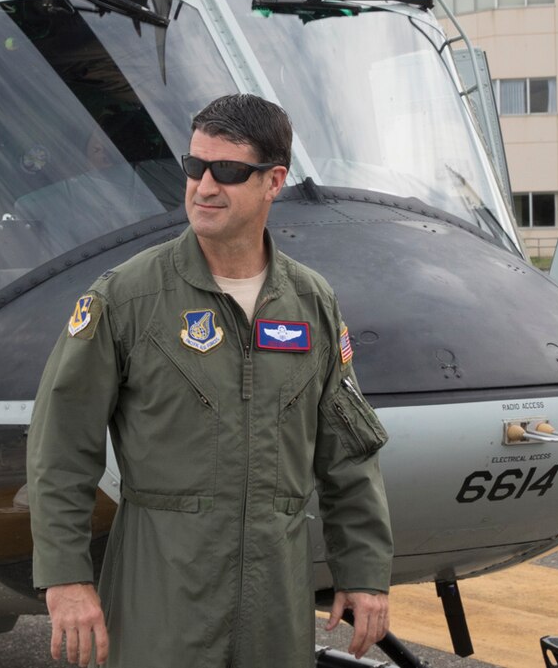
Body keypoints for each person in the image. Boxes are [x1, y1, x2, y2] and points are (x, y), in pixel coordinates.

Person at [26, 93, 393, 667]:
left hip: (276, 601)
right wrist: (66, 578)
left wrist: (365, 573)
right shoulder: (127, 297)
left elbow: (347, 453)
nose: (204, 187)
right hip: (162, 594)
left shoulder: (311, 303)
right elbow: (60, 448)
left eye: (228, 171)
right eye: (195, 167)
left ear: (274, 181)